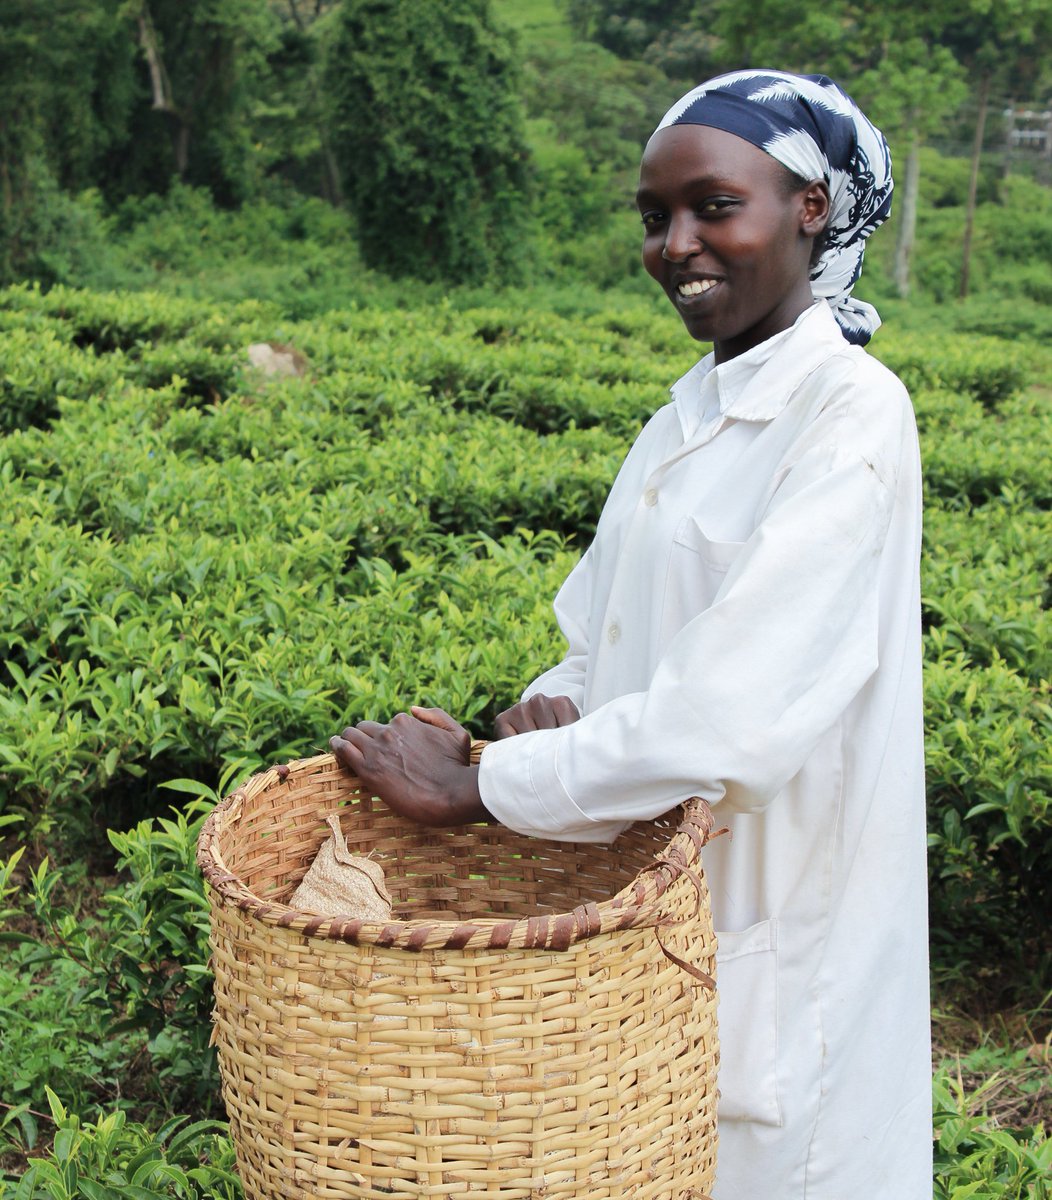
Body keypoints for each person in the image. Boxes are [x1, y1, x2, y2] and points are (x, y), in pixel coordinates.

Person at [331, 69, 932, 1200]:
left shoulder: (849, 413)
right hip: (648, 940)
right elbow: (593, 641)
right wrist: (542, 714)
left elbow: (726, 723)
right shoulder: (677, 421)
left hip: (780, 942)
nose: (675, 245)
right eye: (655, 218)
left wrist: (482, 786)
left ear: (810, 207)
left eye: (713, 206)